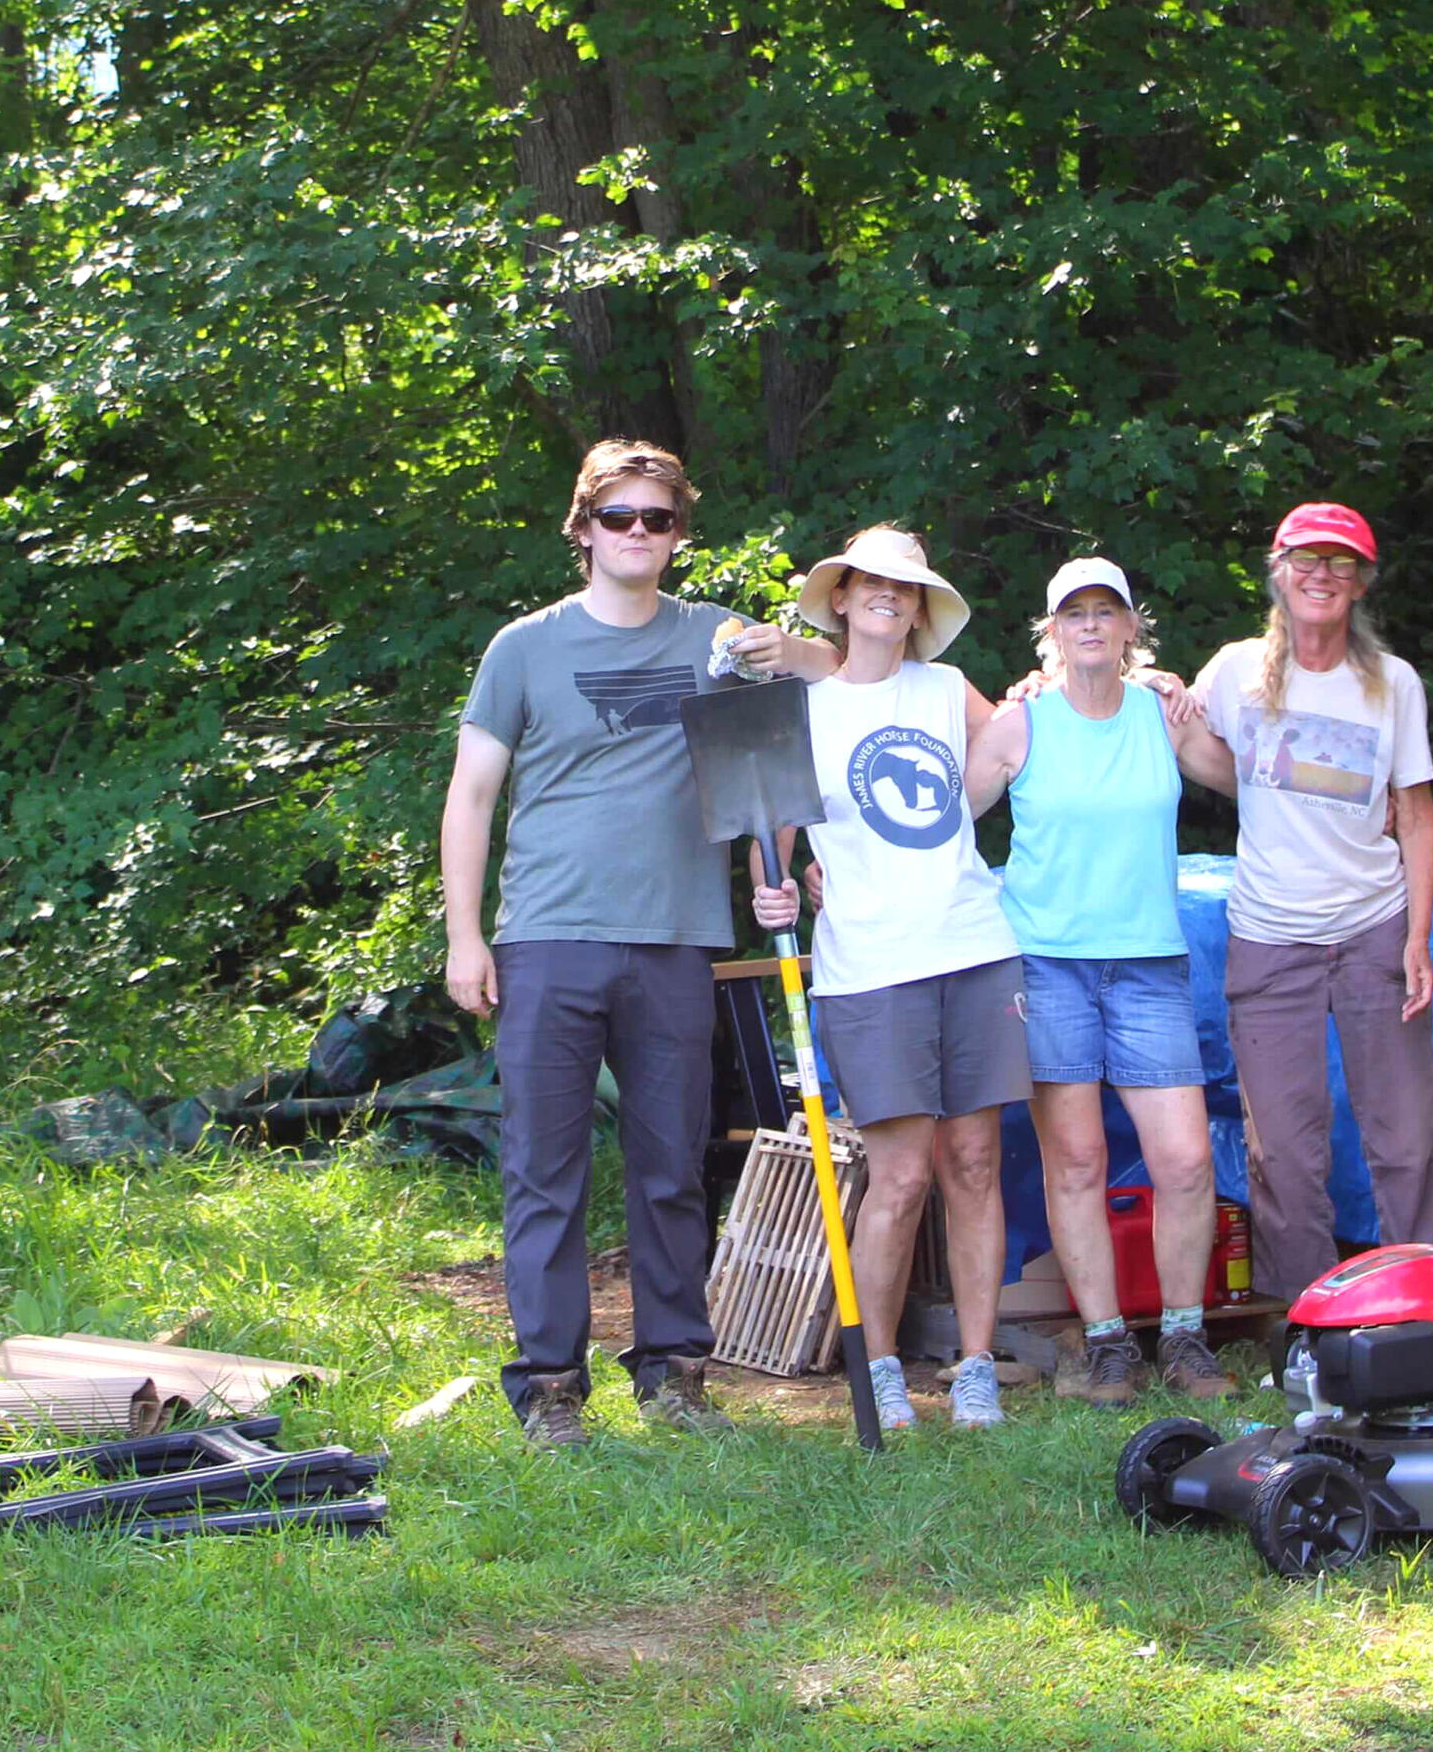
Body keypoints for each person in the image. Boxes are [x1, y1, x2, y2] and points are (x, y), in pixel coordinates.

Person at [441, 438, 832, 1446]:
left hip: (676, 938)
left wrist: (788, 654)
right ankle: (548, 1388)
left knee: (670, 1166)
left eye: (658, 519)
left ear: (677, 535)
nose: (638, 534)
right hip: (547, 937)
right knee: (544, 1169)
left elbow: (845, 674)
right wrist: (464, 938)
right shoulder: (524, 648)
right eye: (619, 516)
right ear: (583, 528)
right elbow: (472, 795)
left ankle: (674, 1377)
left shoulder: (716, 635)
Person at [750, 525, 1030, 1434]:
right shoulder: (804, 706)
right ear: (841, 596)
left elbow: (1023, 742)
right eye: (873, 583)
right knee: (901, 1176)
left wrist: (1083, 685)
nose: (889, 597)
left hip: (972, 945)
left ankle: (977, 1367)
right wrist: (776, 889)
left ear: (919, 607)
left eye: (906, 588)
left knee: (975, 1164)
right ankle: (879, 1373)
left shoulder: (947, 689)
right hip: (867, 967)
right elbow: (774, 844)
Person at [964, 557, 1236, 1407]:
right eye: (1071, 612)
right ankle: (1109, 1345)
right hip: (1047, 967)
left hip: (1149, 964)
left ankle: (1185, 1337)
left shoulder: (1162, 714)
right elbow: (937, 824)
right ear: (1050, 631)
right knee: (1075, 1158)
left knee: (1186, 1159)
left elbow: (1247, 774)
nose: (1089, 624)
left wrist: (1206, 697)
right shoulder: (1020, 724)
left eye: (1104, 610)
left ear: (1129, 626)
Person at [1177, 502, 1433, 1306]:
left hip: (1374, 931)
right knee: (1286, 1156)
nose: (1321, 575)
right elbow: (1180, 734)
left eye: (1340, 563)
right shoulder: (1234, 671)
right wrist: (1151, 685)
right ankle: (1309, 1329)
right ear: (1278, 570)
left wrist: (1419, 935)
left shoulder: (1392, 683)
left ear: (1362, 581)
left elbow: (1417, 813)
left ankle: (1428, 1309)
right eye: (1307, 559)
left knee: (1406, 1140)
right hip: (1269, 939)